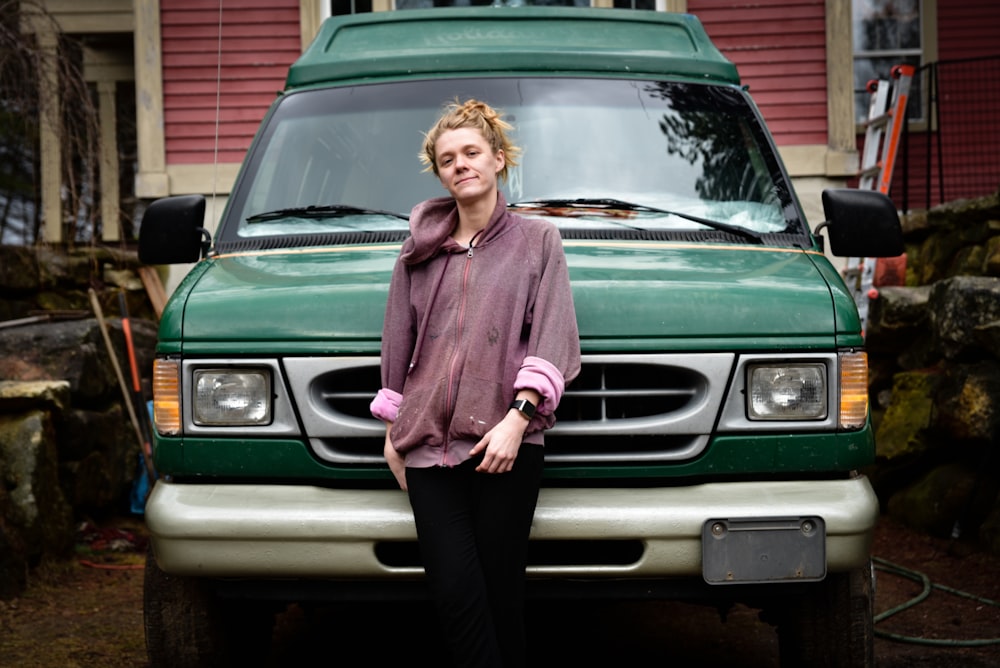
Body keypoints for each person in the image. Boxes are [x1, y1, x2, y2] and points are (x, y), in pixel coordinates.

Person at [370, 99, 581, 668]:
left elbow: (555, 341)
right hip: (427, 455)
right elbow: (398, 346)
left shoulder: (538, 243)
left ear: (498, 159)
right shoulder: (417, 254)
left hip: (504, 448)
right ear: (438, 173)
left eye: (471, 153)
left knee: (501, 592)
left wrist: (519, 419)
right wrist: (394, 429)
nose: (460, 165)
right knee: (456, 594)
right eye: (447, 159)